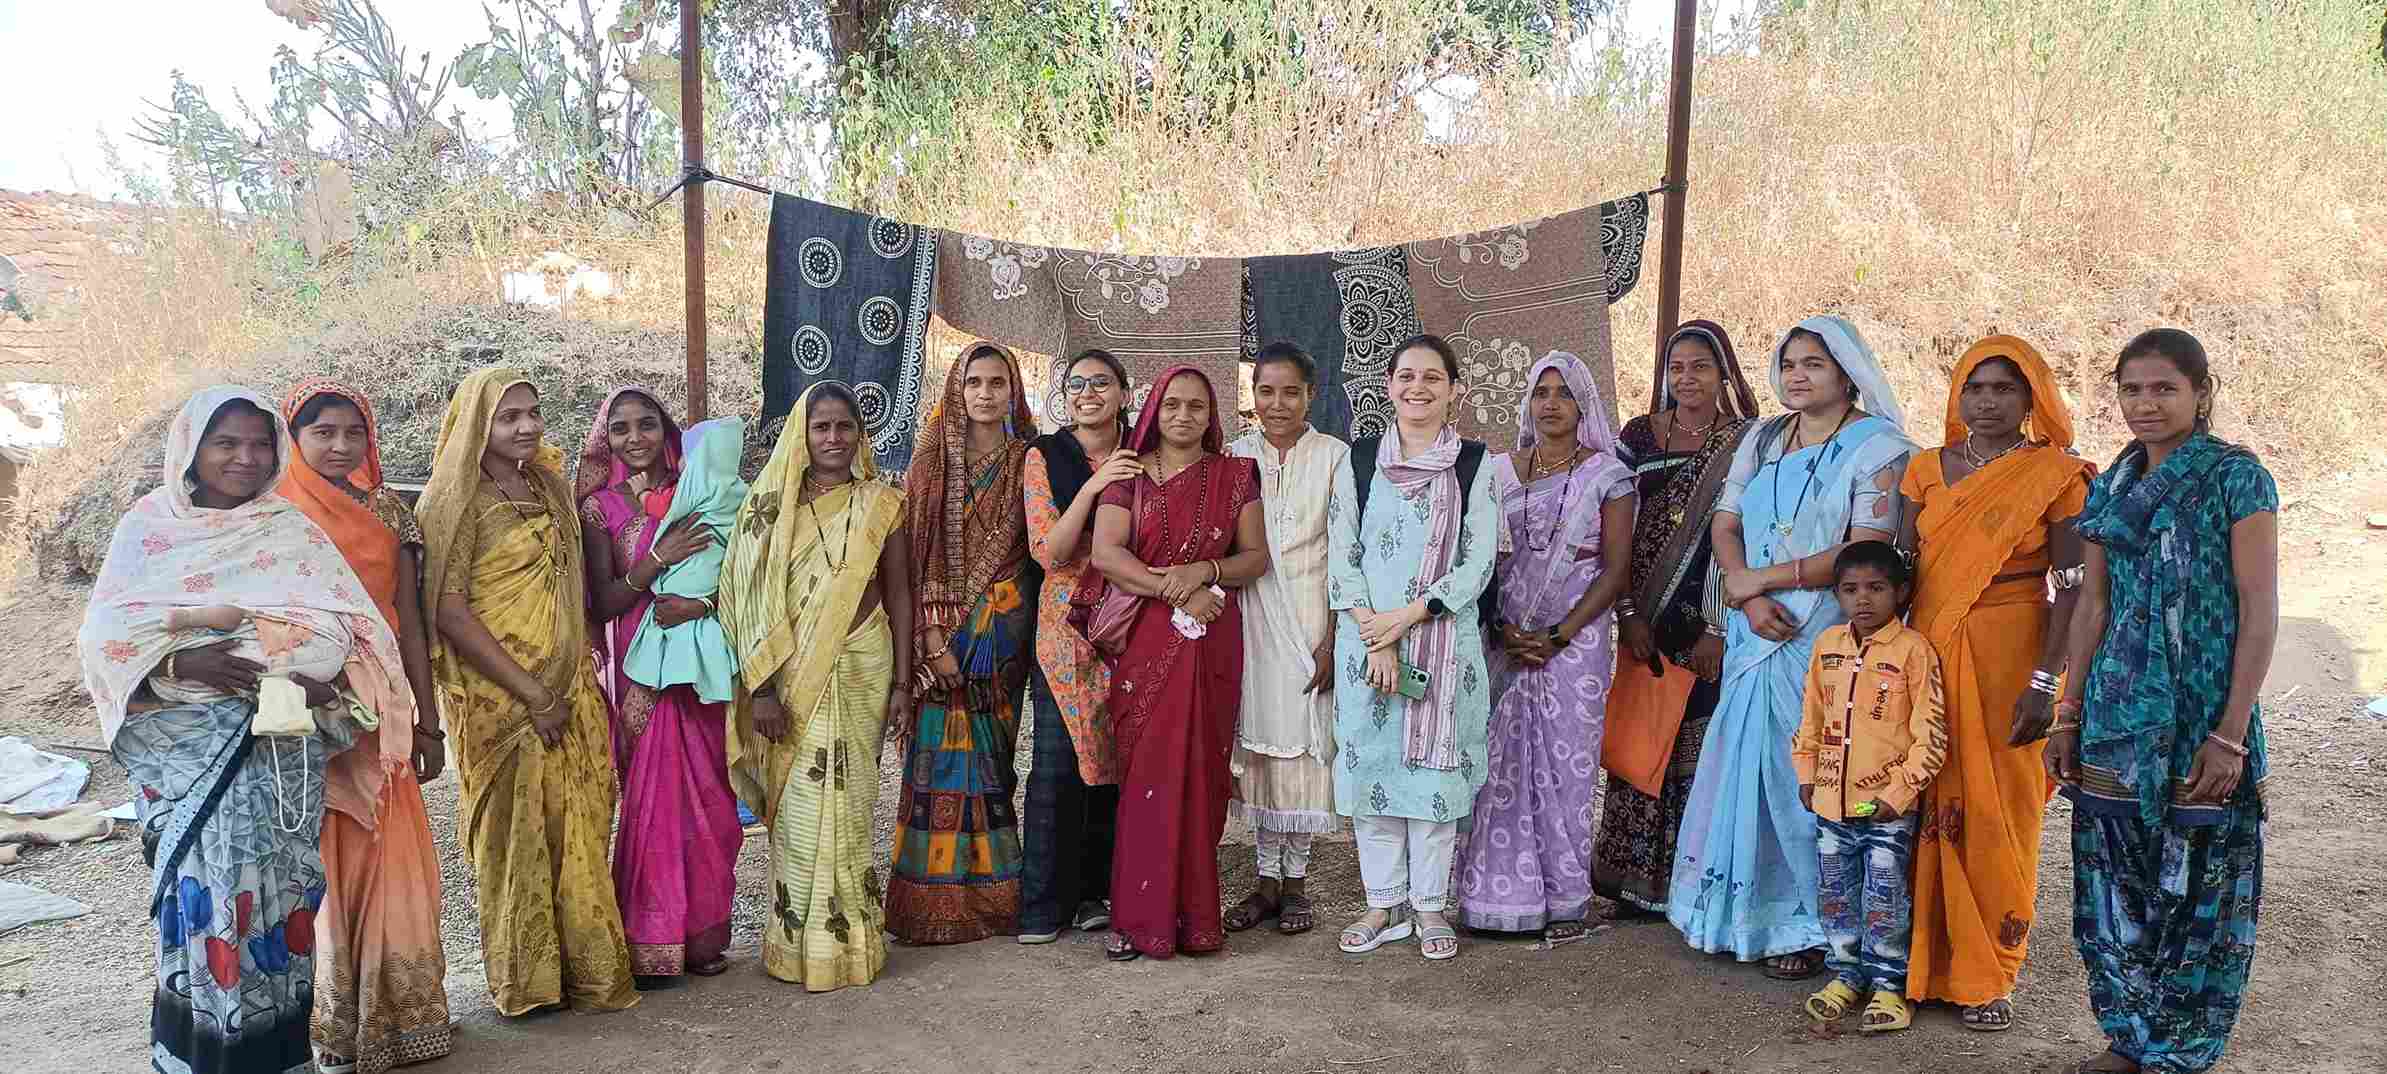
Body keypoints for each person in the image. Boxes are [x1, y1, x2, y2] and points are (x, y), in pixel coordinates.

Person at [79, 387, 393, 1074]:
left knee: (281, 899)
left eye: (258, 443)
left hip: (280, 752)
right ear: (192, 449)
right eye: (227, 443)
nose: (245, 459)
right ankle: (198, 1054)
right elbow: (105, 635)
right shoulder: (147, 528)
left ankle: (278, 1056)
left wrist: (273, 665)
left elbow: (338, 627)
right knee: (209, 896)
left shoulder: (288, 530)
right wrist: (179, 657)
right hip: (185, 748)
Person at [2051, 329, 2276, 1074]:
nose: (2144, 404)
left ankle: (2181, 1051)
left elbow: (2257, 605)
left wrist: (2231, 734)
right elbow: (2090, 608)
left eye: (2162, 389)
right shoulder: (2109, 487)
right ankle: (2129, 1038)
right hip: (2114, 720)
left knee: (2199, 888)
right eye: (2130, 389)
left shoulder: (2236, 478)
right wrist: (2067, 709)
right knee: (2113, 890)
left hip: (2202, 715)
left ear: (2200, 393)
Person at [1669, 315, 1915, 979]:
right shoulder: (1761, 438)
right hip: (1759, 628)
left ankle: (1817, 924)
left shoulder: (1878, 447)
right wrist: (1746, 599)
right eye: (1788, 364)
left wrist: (1766, 580)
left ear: (1845, 372)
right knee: (1749, 764)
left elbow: (1867, 550)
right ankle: (1746, 914)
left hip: (1829, 631)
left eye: (1812, 363)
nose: (1797, 376)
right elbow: (1726, 526)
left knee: (1814, 772)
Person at [419, 368, 638, 1015]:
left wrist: (567, 680)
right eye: (508, 416)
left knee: (582, 822)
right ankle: (529, 983)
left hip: (569, 688)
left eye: (532, 412)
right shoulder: (451, 501)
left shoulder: (547, 485)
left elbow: (572, 585)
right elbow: (450, 612)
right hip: (500, 703)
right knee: (514, 842)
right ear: (473, 426)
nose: (526, 426)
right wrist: (532, 695)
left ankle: (587, 972)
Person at [1896, 336, 2095, 1030]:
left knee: (2001, 811)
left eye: (2004, 389)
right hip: (1926, 649)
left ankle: (1989, 974)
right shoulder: (1923, 470)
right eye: (1973, 388)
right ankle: (1921, 965)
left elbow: (2071, 587)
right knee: (1922, 802)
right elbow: (1896, 572)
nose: (1986, 402)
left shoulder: (2054, 475)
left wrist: (2046, 682)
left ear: (2031, 398)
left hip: (2015, 653)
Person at [276, 381, 454, 1073]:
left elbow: (408, 622)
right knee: (324, 859)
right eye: (323, 431)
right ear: (295, 436)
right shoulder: (273, 515)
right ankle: (335, 1023)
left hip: (382, 708)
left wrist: (428, 720)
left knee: (393, 853)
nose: (341, 445)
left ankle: (400, 1019)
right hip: (309, 710)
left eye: (354, 431)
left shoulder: (388, 512)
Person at [722, 383, 914, 990]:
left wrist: (905, 681)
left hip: (864, 662)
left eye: (844, 427)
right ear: (800, 437)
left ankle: (852, 940)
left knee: (855, 803)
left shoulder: (884, 503)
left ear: (861, 434)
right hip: (791, 678)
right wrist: (764, 690)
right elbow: (747, 599)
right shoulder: (768, 509)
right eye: (821, 427)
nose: (833, 439)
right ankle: (794, 942)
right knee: (800, 806)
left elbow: (901, 592)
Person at [1080, 365, 1268, 959]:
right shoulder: (1128, 478)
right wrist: (1171, 586)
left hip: (1212, 634)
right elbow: (1107, 554)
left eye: (1197, 406)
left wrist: (1205, 572)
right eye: (1172, 406)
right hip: (1149, 634)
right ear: (1153, 411)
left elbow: (1255, 557)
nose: (1184, 416)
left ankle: (1194, 921)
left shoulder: (1237, 475)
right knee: (1147, 776)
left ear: (1212, 416)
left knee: (1203, 775)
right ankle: (1139, 921)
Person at [1326, 334, 1500, 963]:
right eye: (1405, 376)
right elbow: (1341, 552)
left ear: (1455, 390)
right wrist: (1373, 630)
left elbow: (1478, 563)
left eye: (1432, 378)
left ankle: (1429, 909)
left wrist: (1406, 619)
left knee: (1432, 778)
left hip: (1440, 644)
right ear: (1389, 385)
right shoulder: (1362, 460)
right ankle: (1382, 904)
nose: (1417, 388)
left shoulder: (1477, 465)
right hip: (1367, 644)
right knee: (1373, 770)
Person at [1457, 351, 1635, 941]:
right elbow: (1482, 558)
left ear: (1584, 405)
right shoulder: (1500, 473)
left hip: (1575, 643)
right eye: (1541, 392)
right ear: (1528, 403)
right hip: (1505, 637)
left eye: (1563, 393)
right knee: (1495, 763)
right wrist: (1507, 631)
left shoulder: (1608, 476)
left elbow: (1614, 571)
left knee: (1566, 765)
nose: (1551, 404)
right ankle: (1493, 894)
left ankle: (1564, 896)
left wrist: (1558, 635)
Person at [1593, 321, 1763, 916]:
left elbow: (1742, 534)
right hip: (1645, 615)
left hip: (1709, 624)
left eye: (1701, 367)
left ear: (1726, 374)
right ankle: (1634, 884)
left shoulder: (1748, 441)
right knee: (1641, 736)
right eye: (1677, 368)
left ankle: (1691, 886)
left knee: (1698, 749)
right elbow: (1614, 525)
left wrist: (1719, 626)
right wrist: (1629, 613)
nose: (1687, 379)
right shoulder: (1638, 436)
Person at [574, 387, 741, 983]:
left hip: (701, 666)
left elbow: (743, 577)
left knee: (710, 802)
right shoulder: (598, 508)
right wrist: (658, 559)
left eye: (647, 424)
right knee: (651, 800)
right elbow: (605, 598)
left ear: (666, 431)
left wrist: (699, 604)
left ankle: (701, 935)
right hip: (638, 670)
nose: (635, 437)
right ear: (607, 439)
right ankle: (651, 936)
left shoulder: (703, 488)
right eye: (620, 428)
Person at [886, 343, 1040, 944]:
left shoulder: (1030, 460)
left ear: (1014, 391)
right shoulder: (930, 464)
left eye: (997, 382)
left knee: (995, 766)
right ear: (956, 389)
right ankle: (930, 907)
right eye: (973, 381)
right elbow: (914, 558)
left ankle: (994, 903)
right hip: (940, 641)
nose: (984, 393)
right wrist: (930, 640)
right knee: (938, 766)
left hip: (1003, 642)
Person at [1792, 540, 1949, 1035]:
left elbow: (1932, 733)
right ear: (1837, 595)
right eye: (1850, 590)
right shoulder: (1828, 647)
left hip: (1884, 808)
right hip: (1831, 804)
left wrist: (1899, 793)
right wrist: (1807, 773)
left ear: (1901, 592)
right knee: (1836, 892)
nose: (1863, 600)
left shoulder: (1914, 651)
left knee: (1884, 894)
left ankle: (1888, 986)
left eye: (1876, 588)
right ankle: (1845, 977)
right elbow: (1811, 719)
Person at [1220, 343, 1348, 938]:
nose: (1277, 403)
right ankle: (1264, 881)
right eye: (1266, 391)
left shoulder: (1334, 457)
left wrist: (1330, 642)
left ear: (1310, 396)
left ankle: (1295, 884)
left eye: (1290, 392)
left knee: (1302, 752)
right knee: (1262, 756)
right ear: (1253, 396)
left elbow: (1345, 555)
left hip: (1309, 627)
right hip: (1249, 623)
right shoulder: (1234, 457)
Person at [1019, 349, 1136, 944]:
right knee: (1058, 764)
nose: (1087, 393)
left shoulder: (1145, 451)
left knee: (1116, 763)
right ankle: (1042, 906)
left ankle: (1097, 893)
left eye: (1101, 383)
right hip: (1065, 628)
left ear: (1123, 392)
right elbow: (1051, 552)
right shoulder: (1046, 455)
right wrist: (1096, 485)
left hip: (1134, 618)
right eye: (1076, 384)